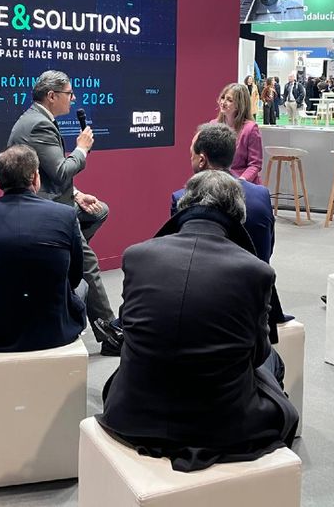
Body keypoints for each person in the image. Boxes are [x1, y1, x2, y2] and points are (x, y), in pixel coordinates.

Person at [98, 170, 298, 472]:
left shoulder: (137, 256)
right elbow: (258, 354)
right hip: (222, 428)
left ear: (184, 205)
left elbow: (129, 327)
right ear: (238, 215)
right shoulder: (256, 271)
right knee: (274, 362)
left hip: (130, 414)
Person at [0, 144, 86, 370]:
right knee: (83, 286)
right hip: (53, 332)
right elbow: (75, 277)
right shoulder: (65, 215)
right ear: (35, 177)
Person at [8, 70, 119, 354]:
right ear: (52, 95)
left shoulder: (39, 119)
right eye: (69, 94)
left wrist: (78, 194)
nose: (73, 99)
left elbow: (48, 172)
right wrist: (81, 150)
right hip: (46, 209)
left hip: (55, 199)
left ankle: (64, 258)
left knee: (99, 212)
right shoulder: (38, 125)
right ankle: (109, 333)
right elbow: (59, 171)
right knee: (89, 264)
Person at [171, 123, 288, 332]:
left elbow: (179, 258)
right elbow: (267, 250)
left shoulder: (182, 199)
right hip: (258, 304)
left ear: (201, 159)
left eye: (191, 154)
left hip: (203, 308)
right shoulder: (261, 195)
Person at [214, 82, 263, 184]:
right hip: (217, 181)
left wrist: (241, 181)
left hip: (241, 182)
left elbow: (255, 164)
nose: (223, 102)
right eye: (222, 98)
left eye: (229, 100)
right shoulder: (213, 125)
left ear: (239, 105)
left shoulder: (250, 129)